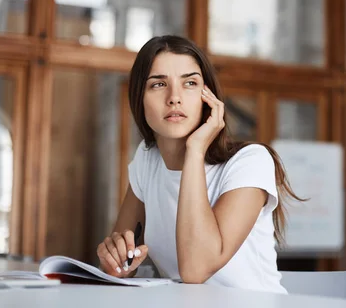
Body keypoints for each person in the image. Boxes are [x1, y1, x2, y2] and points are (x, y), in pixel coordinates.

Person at [96, 35, 303, 293]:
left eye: (190, 83)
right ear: (139, 99)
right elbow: (121, 261)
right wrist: (117, 263)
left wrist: (195, 151)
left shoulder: (250, 162)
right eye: (159, 84)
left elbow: (196, 269)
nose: (174, 98)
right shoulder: (147, 160)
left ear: (209, 98)